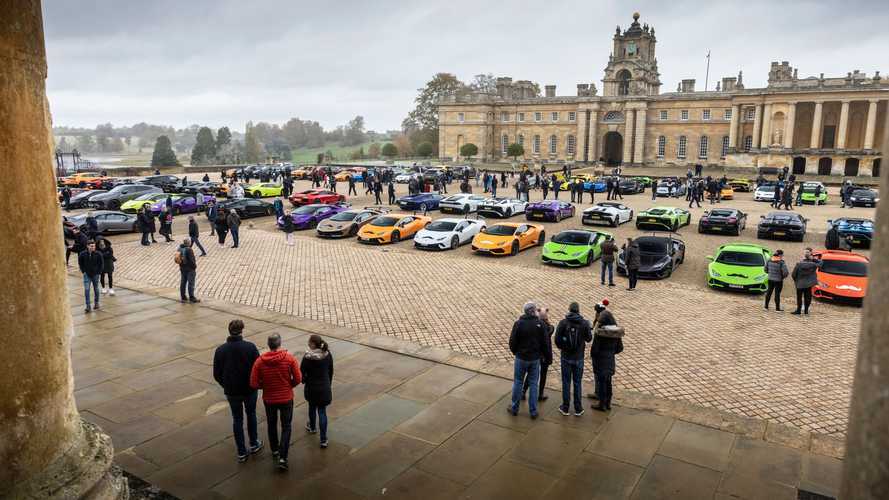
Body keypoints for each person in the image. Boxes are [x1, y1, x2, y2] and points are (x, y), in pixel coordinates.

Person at [250, 333, 302, 471]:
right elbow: (298, 378)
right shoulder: (289, 359)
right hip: (286, 398)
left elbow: (253, 383)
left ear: (269, 344)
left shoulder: (259, 362)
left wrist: (265, 386)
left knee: (271, 424)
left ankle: (274, 449)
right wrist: (288, 385)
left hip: (269, 399)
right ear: (280, 343)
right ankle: (283, 457)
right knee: (286, 426)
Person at [213, 320, 262, 463]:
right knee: (251, 414)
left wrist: (226, 385)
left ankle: (241, 451)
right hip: (249, 389)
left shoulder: (220, 350)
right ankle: (254, 443)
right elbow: (258, 368)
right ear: (242, 330)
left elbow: (217, 374)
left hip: (232, 391)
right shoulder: (250, 347)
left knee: (237, 419)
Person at [507, 302, 548, 419]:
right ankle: (533, 411)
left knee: (518, 382)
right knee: (534, 383)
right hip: (535, 359)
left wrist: (516, 352)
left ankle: (514, 408)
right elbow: (545, 343)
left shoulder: (519, 323)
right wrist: (544, 355)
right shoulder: (540, 324)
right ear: (533, 311)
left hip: (521, 358)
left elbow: (512, 342)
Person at [554, 302, 593, 416]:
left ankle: (565, 407)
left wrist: (563, 348)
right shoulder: (584, 323)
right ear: (578, 310)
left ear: (569, 310)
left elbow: (557, 340)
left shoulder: (563, 322)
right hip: (579, 357)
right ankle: (578, 408)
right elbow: (589, 339)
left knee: (566, 382)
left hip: (566, 356)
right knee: (577, 382)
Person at [301, 334, 334, 449]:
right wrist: (328, 383)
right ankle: (323, 439)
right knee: (322, 412)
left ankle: (312, 427)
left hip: (311, 388)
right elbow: (330, 371)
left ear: (313, 344)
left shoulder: (307, 357)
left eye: (309, 342)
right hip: (324, 388)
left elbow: (302, 372)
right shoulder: (327, 355)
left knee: (311, 407)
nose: (308, 343)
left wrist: (304, 380)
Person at [590, 300, 623, 412]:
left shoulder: (600, 333)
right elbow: (620, 348)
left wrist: (595, 356)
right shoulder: (616, 332)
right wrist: (610, 352)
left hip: (600, 360)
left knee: (602, 381)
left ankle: (601, 404)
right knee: (608, 382)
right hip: (610, 360)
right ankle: (608, 403)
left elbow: (595, 349)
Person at [522, 307, 553, 402]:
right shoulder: (550, 328)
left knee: (531, 374)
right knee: (543, 375)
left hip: (536, 354)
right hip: (545, 355)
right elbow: (551, 328)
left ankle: (523, 391)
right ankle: (540, 394)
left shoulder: (536, 327)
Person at [791, 249, 819, 315]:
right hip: (808, 284)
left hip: (800, 284)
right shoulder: (813, 264)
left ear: (804, 257)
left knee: (799, 297)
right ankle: (806, 311)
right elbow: (821, 263)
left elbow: (793, 274)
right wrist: (814, 259)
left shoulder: (799, 264)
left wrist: (796, 281)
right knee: (808, 297)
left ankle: (798, 310)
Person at [78, 240, 103, 313]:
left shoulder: (98, 254)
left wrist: (99, 272)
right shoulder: (83, 254)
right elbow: (80, 262)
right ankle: (88, 306)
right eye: (91, 246)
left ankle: (96, 303)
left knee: (96, 288)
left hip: (95, 274)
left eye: (94, 246)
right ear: (87, 246)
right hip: (87, 275)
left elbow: (101, 264)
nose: (93, 247)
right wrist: (83, 271)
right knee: (87, 290)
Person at [177, 238, 199, 303]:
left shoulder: (179, 248)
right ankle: (192, 297)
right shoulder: (189, 250)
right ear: (188, 243)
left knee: (183, 282)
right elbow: (192, 260)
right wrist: (194, 267)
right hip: (190, 269)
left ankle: (183, 296)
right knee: (191, 283)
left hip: (182, 268)